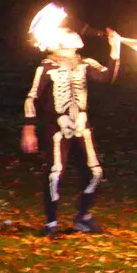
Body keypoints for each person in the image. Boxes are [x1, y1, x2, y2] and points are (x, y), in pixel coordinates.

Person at [21, 24, 121, 236]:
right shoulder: (47, 67)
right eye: (69, 32)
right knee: (55, 173)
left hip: (82, 126)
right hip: (57, 129)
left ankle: (83, 217)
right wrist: (28, 130)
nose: (75, 33)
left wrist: (115, 49)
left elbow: (108, 77)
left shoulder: (85, 63)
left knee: (96, 172)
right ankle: (51, 224)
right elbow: (32, 98)